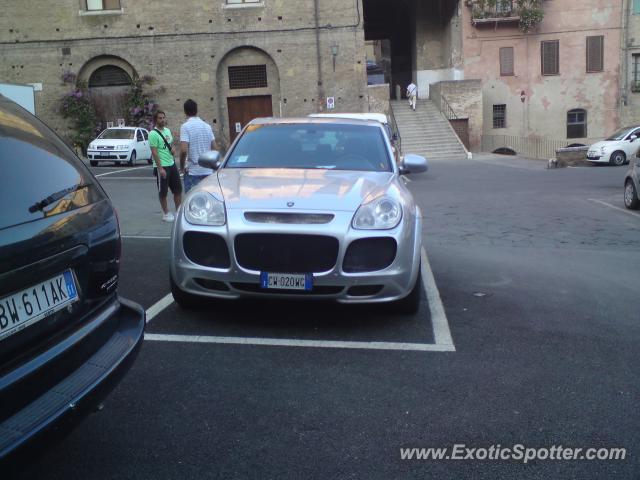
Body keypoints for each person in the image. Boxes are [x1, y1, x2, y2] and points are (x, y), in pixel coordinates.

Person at [149, 110, 182, 222]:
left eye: (163, 118)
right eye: (160, 118)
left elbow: (170, 144)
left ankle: (178, 212)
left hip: (171, 163)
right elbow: (154, 152)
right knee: (163, 192)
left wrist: (173, 149)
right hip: (162, 166)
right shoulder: (153, 134)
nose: (162, 120)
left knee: (178, 189)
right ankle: (166, 214)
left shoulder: (167, 130)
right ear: (155, 120)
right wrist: (160, 169)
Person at [179, 99, 217, 192]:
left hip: (193, 172)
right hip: (208, 171)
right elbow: (214, 148)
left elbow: (183, 150)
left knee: (192, 202)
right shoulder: (207, 126)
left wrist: (182, 167)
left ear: (185, 112)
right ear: (196, 110)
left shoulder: (185, 127)